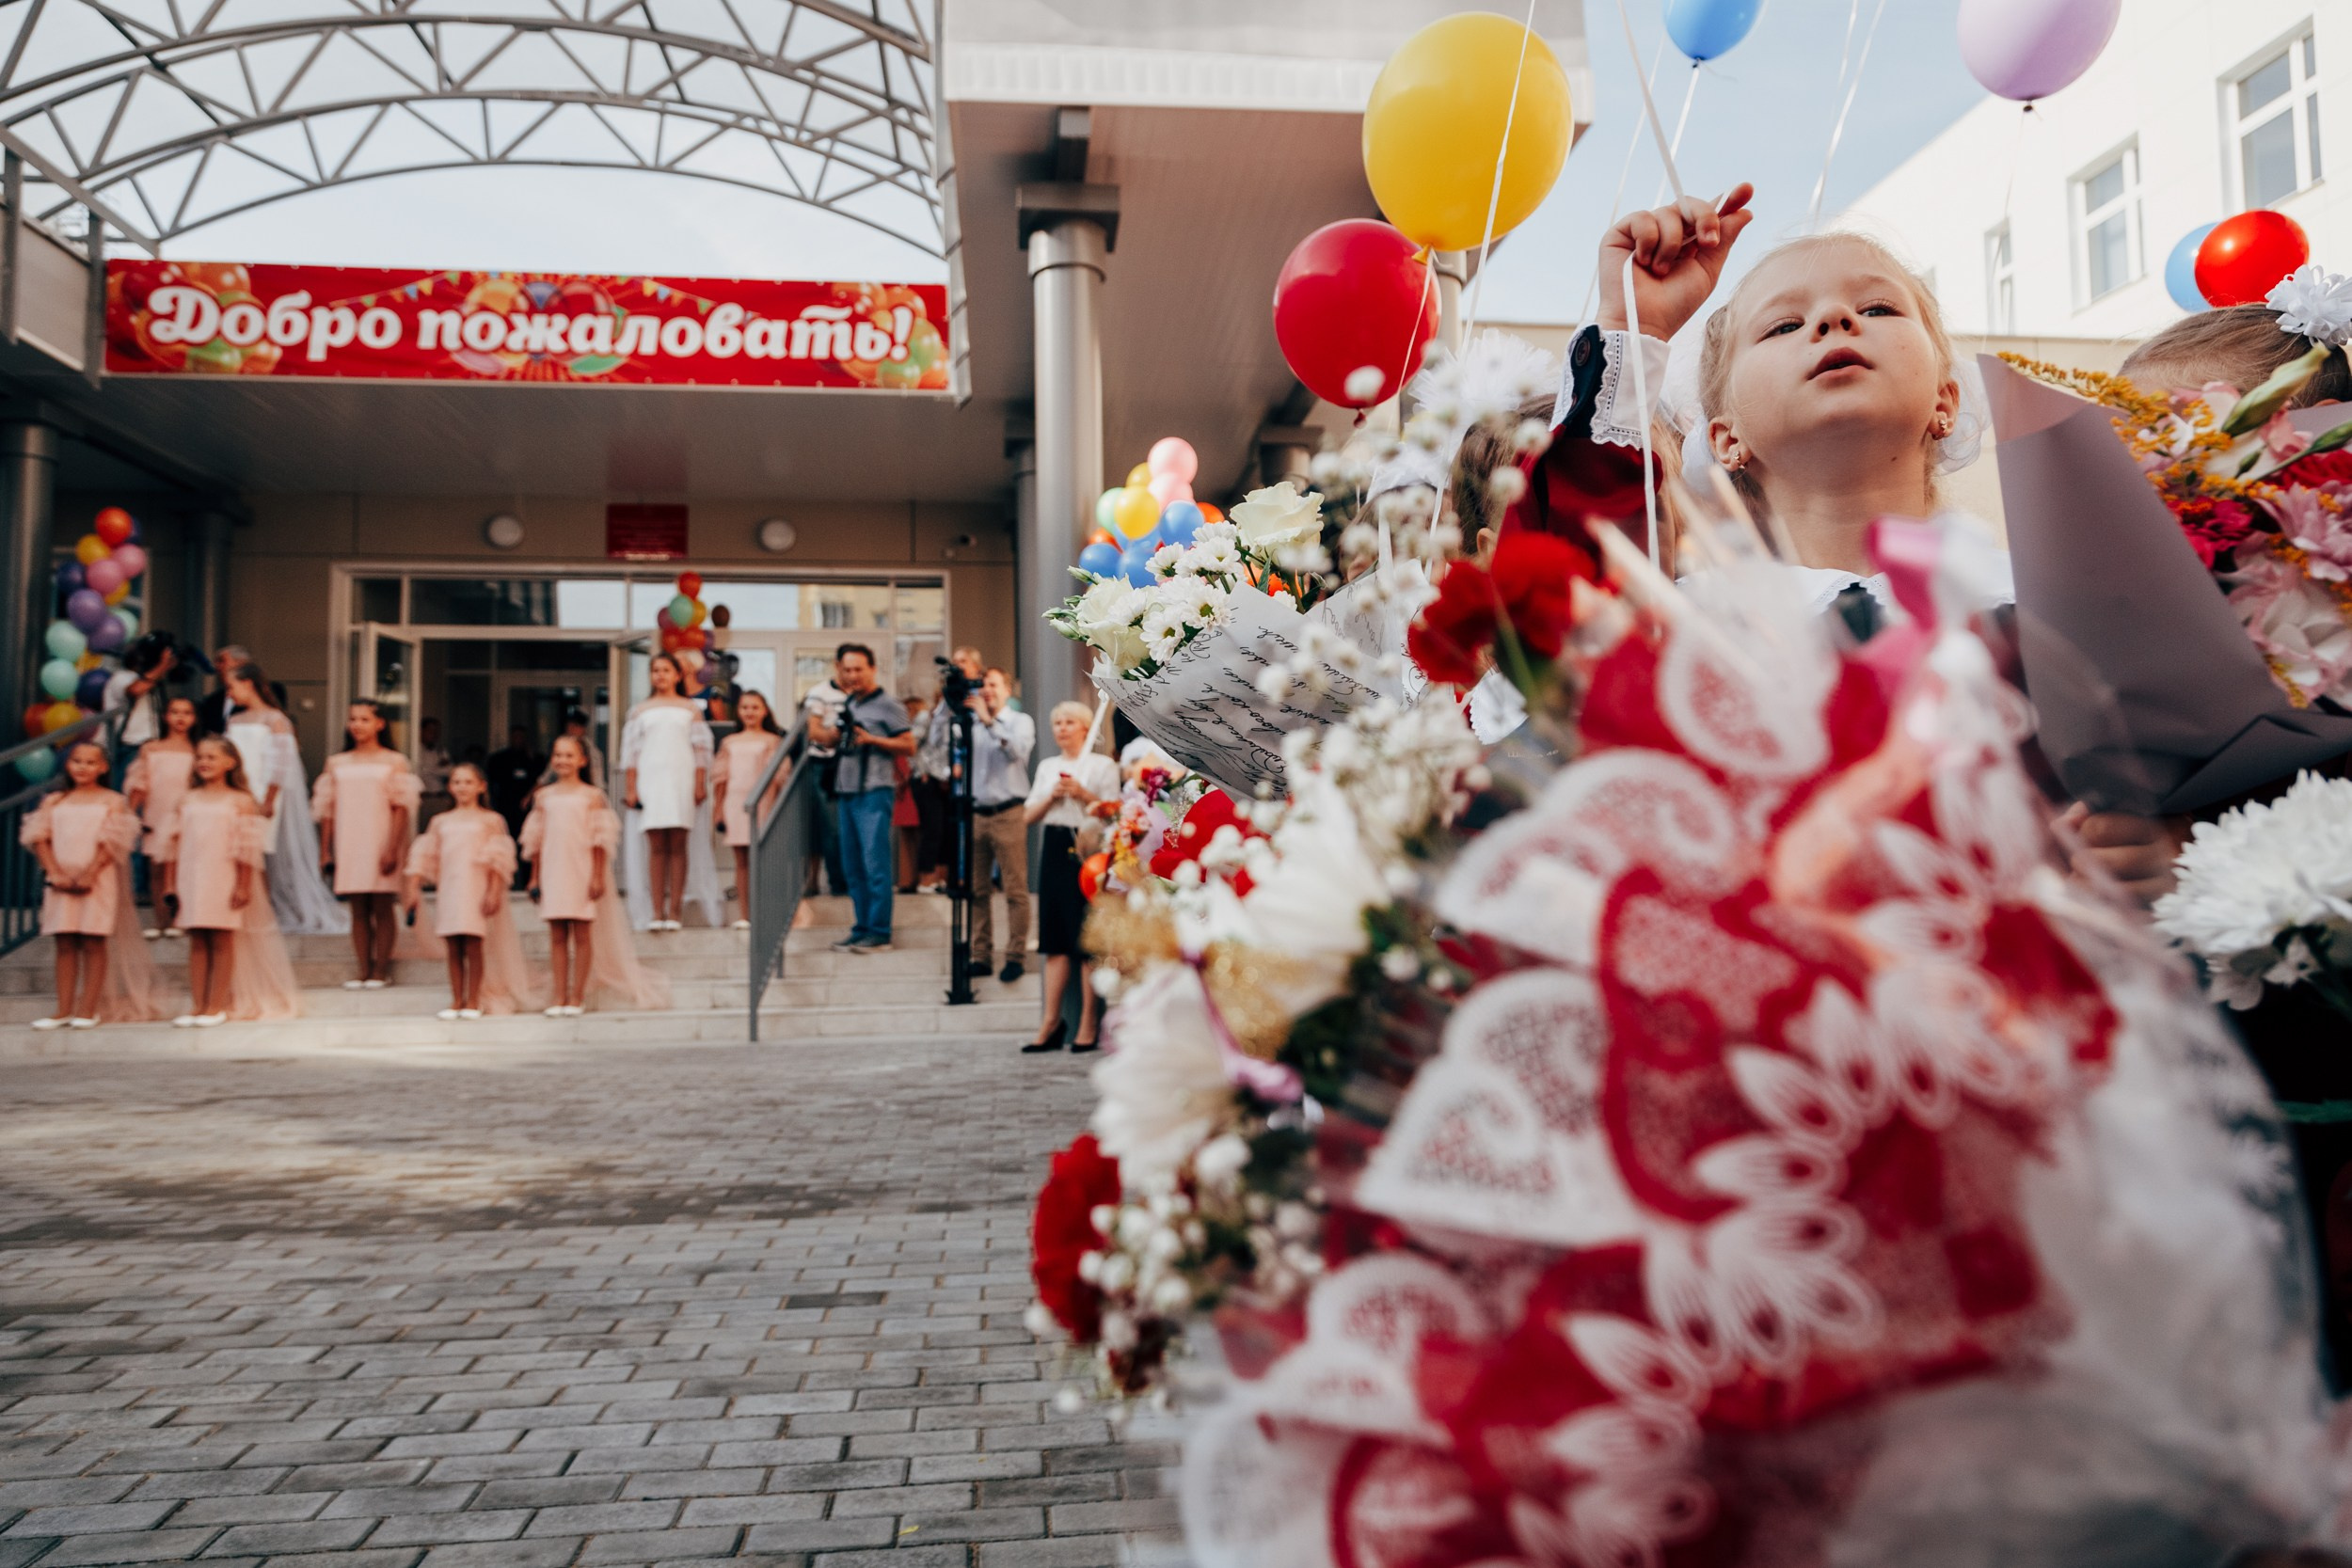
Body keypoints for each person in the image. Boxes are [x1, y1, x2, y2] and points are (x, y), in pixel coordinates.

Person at [157, 734, 299, 1026]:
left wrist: (244, 884)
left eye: (211, 757)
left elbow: (247, 848)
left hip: (223, 876)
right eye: (200, 757)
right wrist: (170, 884)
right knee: (197, 940)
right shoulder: (186, 799)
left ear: (230, 762)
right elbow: (172, 846)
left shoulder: (242, 801)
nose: (203, 762)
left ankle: (216, 1006)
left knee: (221, 940)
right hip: (191, 876)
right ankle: (198, 1006)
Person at [524, 734, 668, 1015]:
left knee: (581, 934)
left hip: (581, 869)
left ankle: (576, 996)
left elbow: (600, 839)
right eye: (558, 755)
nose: (562, 760)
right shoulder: (544, 797)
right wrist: (534, 877)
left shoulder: (591, 796)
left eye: (569, 755)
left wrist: (598, 876)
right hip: (554, 869)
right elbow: (536, 840)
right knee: (556, 935)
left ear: (582, 760)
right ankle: (559, 996)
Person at [22, 740, 159, 1028]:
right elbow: (40, 838)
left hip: (97, 879)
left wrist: (90, 872)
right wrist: (54, 872)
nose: (82, 767)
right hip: (60, 880)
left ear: (103, 767)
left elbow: (114, 841)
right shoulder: (54, 801)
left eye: (90, 762)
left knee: (93, 941)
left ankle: (88, 1009)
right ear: (67, 765)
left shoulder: (112, 800)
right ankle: (63, 1009)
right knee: (65, 942)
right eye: (77, 761)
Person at [405, 762, 537, 1019]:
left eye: (468, 782)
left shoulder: (491, 820)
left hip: (476, 888)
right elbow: (425, 855)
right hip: (450, 888)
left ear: (481, 786)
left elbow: (499, 858)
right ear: (450, 787)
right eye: (457, 782)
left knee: (474, 944)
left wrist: (494, 891)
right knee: (453, 945)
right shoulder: (440, 821)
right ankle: (457, 999)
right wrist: (413, 886)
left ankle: (473, 1000)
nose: (462, 787)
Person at [1022, 701, 1118, 1054]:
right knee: (1054, 940)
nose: (1061, 728)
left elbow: (1115, 812)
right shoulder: (1048, 767)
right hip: (1055, 845)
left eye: (1069, 722)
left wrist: (1084, 795)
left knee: (1085, 942)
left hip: (1090, 848)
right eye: (1057, 722)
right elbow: (1028, 816)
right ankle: (1050, 1021)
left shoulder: (1102, 765)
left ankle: (1088, 1023)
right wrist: (1053, 796)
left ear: (1084, 728)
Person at [806, 642, 914, 954]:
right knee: (852, 864)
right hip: (847, 790)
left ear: (872, 669)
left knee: (874, 863)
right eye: (847, 669)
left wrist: (871, 739)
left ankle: (879, 932)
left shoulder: (889, 705)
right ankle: (861, 928)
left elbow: (909, 746)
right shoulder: (849, 703)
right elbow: (830, 738)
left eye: (858, 669)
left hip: (874, 790)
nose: (852, 675)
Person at [222, 660, 344, 935]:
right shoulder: (234, 720)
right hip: (235, 795)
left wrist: (268, 799)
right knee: (236, 851)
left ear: (248, 684)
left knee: (258, 852)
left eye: (231, 687)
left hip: (263, 794)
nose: (229, 694)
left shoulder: (276, 720)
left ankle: (264, 913)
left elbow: (281, 763)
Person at [313, 699, 421, 990]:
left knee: (382, 905)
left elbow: (401, 807)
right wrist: (325, 850)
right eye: (353, 719)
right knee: (358, 908)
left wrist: (392, 848)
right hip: (349, 840)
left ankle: (381, 970)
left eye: (364, 719)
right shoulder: (337, 763)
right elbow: (327, 810)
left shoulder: (393, 761)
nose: (357, 725)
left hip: (380, 838)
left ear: (379, 724)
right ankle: (363, 969)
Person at [620, 653, 721, 931]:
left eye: (666, 670)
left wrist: (700, 783)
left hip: (681, 779)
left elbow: (702, 751)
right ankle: (656, 910)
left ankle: (675, 911)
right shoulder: (639, 711)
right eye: (655, 670)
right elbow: (631, 753)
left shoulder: (691, 709)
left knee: (678, 844)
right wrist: (631, 787)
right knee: (656, 846)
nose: (660, 675)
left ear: (677, 675)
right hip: (651, 780)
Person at [962, 666, 1036, 983]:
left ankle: (1015, 955)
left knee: (1014, 890)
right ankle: (980, 955)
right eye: (983, 685)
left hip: (1009, 812)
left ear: (1007, 689)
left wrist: (991, 722)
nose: (987, 691)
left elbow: (1017, 754)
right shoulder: (970, 723)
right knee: (977, 890)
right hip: (977, 813)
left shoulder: (1020, 722)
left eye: (993, 684)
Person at [124, 695, 199, 937]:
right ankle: (161, 922)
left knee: (182, 867)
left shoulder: (197, 750)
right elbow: (140, 781)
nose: (180, 718)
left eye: (186, 713)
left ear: (194, 718)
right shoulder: (151, 748)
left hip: (185, 813)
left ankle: (181, 921)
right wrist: (132, 812)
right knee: (156, 867)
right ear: (166, 716)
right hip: (156, 810)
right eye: (175, 712)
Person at [711, 689, 786, 929]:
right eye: (745, 707)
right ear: (738, 711)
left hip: (762, 802)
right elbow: (721, 779)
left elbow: (778, 778)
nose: (750, 712)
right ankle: (745, 915)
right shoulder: (729, 742)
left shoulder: (772, 741)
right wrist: (718, 809)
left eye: (755, 707)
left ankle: (766, 913)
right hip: (735, 802)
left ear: (765, 711)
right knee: (741, 860)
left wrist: (773, 806)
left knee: (762, 859)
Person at [198, 644, 285, 735]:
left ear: (241, 662)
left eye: (221, 661)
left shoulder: (273, 691)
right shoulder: (212, 700)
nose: (217, 666)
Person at [486, 725, 543, 840]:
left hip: (527, 803)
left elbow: (541, 780)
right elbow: (492, 782)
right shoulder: (499, 759)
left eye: (521, 737)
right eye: (515, 737)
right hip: (506, 802)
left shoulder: (536, 759)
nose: (518, 739)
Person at [534, 710, 605, 789]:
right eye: (568, 726)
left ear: (583, 728)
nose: (571, 729)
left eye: (575, 726)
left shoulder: (592, 752)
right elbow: (546, 776)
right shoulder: (561, 746)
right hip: (561, 790)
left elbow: (597, 781)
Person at [415, 716, 454, 827]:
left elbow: (450, 771)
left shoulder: (441, 751)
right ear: (421, 731)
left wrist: (433, 769)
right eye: (430, 731)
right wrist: (438, 768)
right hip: (423, 798)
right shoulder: (415, 750)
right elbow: (420, 771)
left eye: (437, 731)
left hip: (440, 797)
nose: (434, 734)